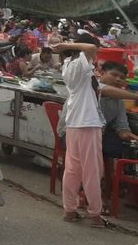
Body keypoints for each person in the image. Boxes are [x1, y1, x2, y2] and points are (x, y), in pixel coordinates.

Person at [53, 35, 106, 227]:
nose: (97, 53)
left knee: (73, 169)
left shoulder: (70, 64)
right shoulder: (79, 63)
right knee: (92, 170)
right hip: (87, 123)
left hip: (75, 122)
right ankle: (95, 214)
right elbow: (90, 47)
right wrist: (68, 45)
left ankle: (69, 210)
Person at [96, 61, 138, 159]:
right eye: (114, 75)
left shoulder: (118, 101)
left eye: (122, 78)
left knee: (125, 148)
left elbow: (121, 125)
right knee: (113, 148)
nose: (118, 79)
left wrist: (128, 135)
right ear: (102, 73)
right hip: (73, 134)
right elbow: (104, 90)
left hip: (98, 134)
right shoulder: (91, 85)